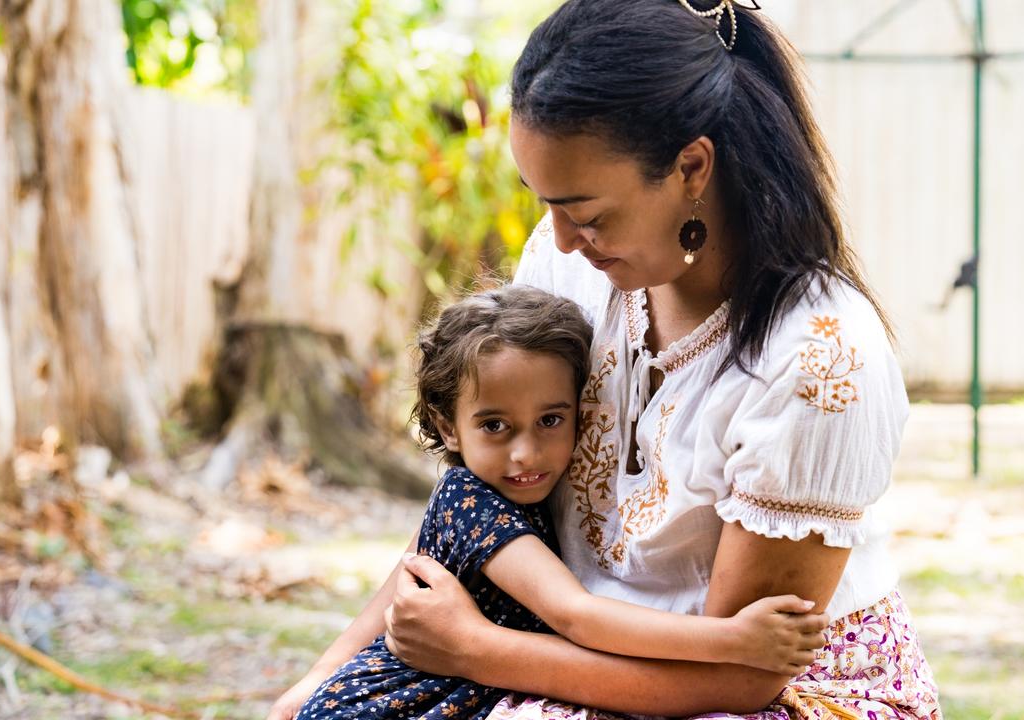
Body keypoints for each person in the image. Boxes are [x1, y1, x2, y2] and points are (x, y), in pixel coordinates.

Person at [374, 1, 943, 718]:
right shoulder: (566, 270)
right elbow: (468, 520)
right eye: (543, 202)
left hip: (763, 689)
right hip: (564, 646)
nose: (561, 238)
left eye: (587, 211)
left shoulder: (821, 359)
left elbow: (741, 677)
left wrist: (478, 650)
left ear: (691, 167)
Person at [275, 285, 830, 720]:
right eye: (495, 426)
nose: (526, 452)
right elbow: (575, 614)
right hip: (393, 704)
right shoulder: (472, 501)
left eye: (550, 419)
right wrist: (735, 640)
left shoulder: (526, 488)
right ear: (447, 427)